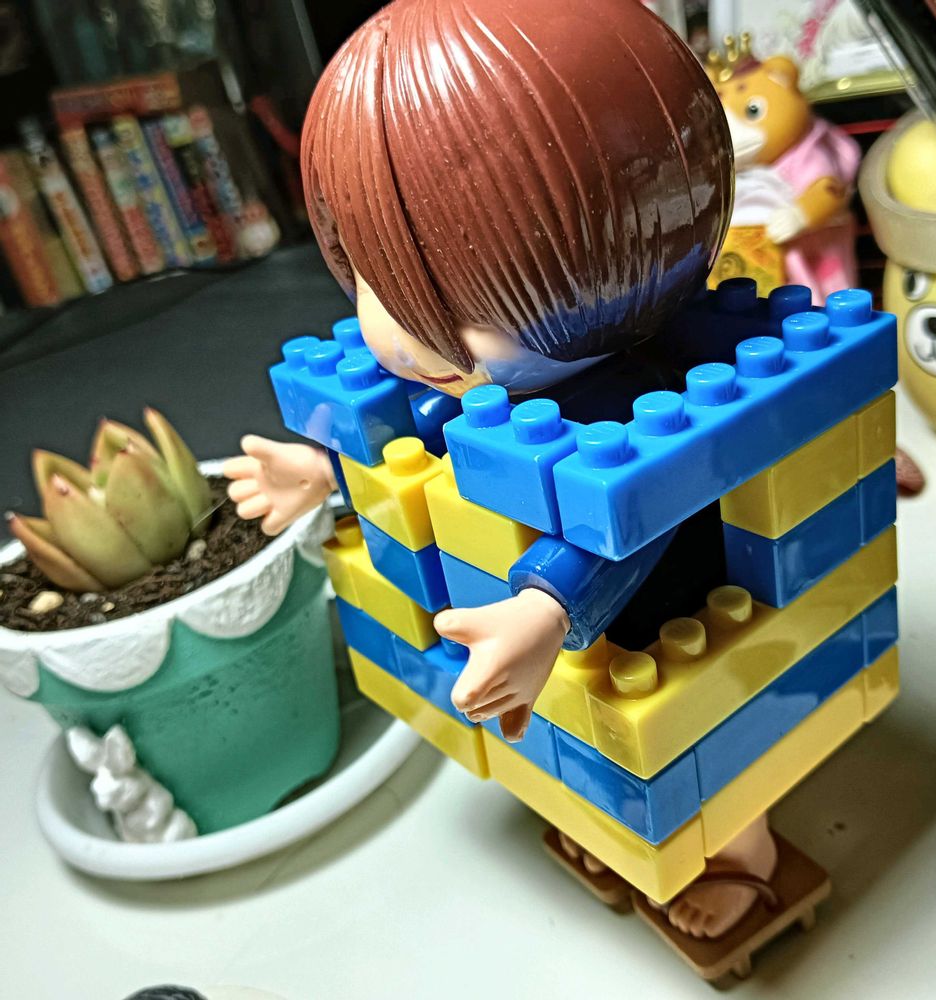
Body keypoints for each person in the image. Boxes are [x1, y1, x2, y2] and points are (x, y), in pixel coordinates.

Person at [225, 0, 773, 940]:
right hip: (523, 640)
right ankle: (617, 829)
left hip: (654, 616)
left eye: (446, 301)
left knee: (706, 747)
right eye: (371, 280)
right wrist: (324, 469)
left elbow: (627, 518)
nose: (391, 335)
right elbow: (410, 446)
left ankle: (742, 854)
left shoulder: (629, 407)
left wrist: (548, 605)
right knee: (582, 748)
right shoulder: (456, 389)